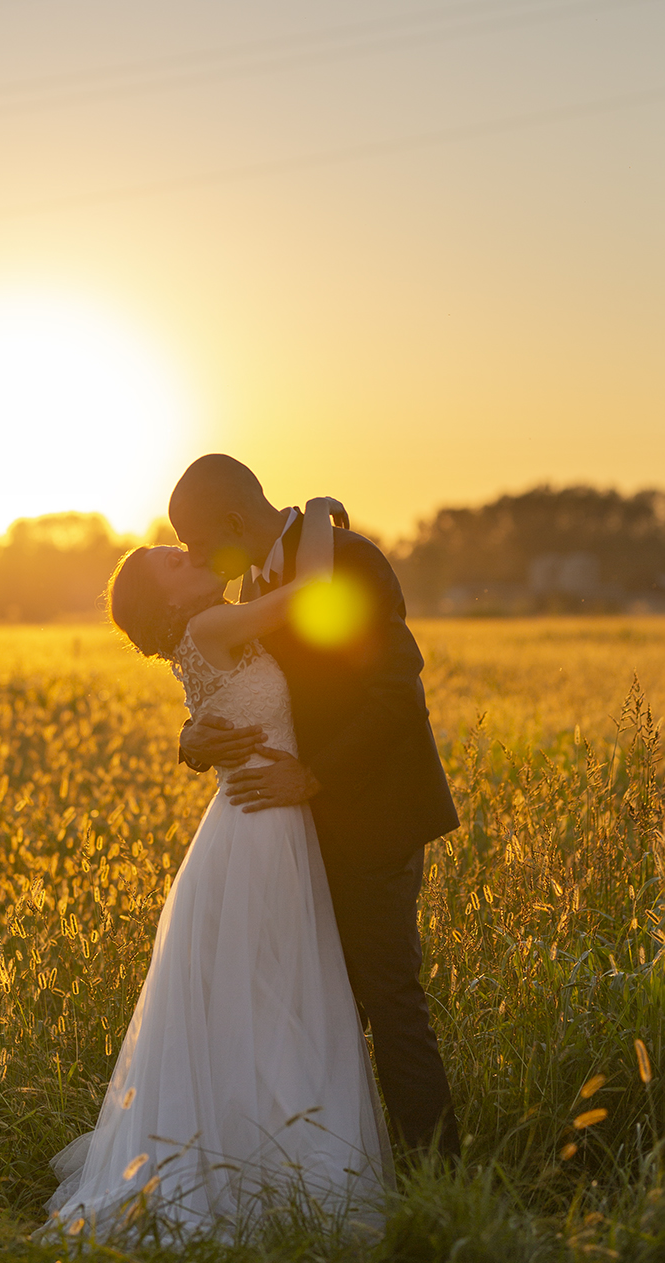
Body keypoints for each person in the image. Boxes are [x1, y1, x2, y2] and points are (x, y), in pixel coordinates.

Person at [45, 494, 390, 1241]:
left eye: (184, 545)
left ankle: (268, 1150)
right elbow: (316, 597)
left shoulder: (211, 628)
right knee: (272, 991)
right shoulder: (210, 625)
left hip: (263, 820)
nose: (186, 553)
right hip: (260, 828)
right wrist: (320, 519)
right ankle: (273, 1164)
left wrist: (195, 733)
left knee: (266, 996)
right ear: (165, 599)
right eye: (171, 560)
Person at [169, 454, 461, 1159]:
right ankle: (317, 1166)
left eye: (199, 539)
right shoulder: (252, 581)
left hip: (371, 815)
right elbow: (238, 690)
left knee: (389, 1002)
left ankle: (441, 1179)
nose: (195, 556)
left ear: (236, 522)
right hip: (290, 833)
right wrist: (192, 738)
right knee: (313, 1008)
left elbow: (397, 692)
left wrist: (314, 778)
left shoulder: (350, 562)